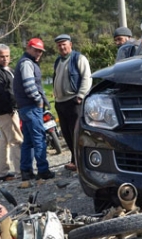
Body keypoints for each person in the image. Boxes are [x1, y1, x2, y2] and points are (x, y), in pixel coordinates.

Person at [13, 38, 55, 181]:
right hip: (31, 107)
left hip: (25, 108)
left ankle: (26, 171)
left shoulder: (25, 62)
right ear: (28, 48)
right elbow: (30, 86)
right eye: (36, 50)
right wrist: (38, 101)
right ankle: (43, 170)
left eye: (40, 51)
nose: (38, 53)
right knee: (39, 139)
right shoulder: (27, 63)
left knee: (29, 141)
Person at [52, 34, 92, 171]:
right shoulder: (58, 61)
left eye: (64, 44)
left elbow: (87, 78)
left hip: (74, 101)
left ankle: (80, 161)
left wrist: (80, 96)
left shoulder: (79, 58)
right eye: (59, 45)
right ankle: (75, 160)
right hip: (60, 103)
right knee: (66, 134)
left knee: (76, 132)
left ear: (70, 45)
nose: (62, 47)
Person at [0, 44, 23, 182]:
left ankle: (2, 172)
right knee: (16, 140)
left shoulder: (7, 69)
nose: (5, 58)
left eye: (7, 56)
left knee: (5, 141)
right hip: (5, 111)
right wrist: (13, 107)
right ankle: (21, 171)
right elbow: (1, 94)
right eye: (2, 56)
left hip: (6, 110)